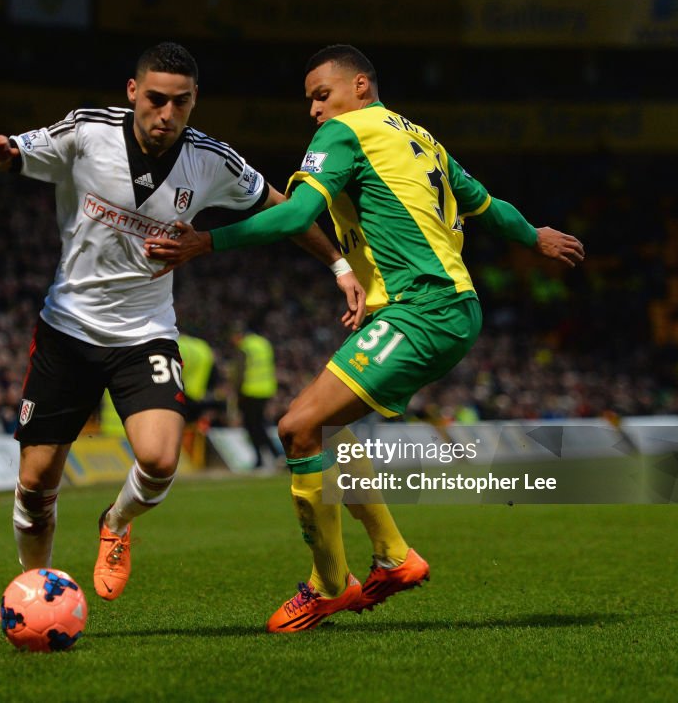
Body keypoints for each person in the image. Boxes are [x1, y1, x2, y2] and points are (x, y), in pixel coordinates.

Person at [146, 44, 585, 631]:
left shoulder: (347, 134)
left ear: (359, 86)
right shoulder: (421, 138)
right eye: (308, 101)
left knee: (298, 428)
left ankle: (328, 584)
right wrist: (534, 237)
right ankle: (395, 557)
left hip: (424, 309)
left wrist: (207, 242)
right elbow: (486, 206)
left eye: (321, 95)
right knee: (330, 430)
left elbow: (295, 215)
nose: (313, 111)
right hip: (443, 306)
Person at [0, 42, 365, 602]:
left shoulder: (211, 160)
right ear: (133, 92)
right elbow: (16, 149)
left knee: (158, 460)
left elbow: (282, 207)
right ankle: (35, 593)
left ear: (194, 101)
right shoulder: (87, 132)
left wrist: (340, 266)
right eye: (156, 100)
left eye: (180, 103)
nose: (167, 114)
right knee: (35, 485)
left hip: (144, 333)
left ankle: (117, 522)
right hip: (68, 329)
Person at [231, 324, 280, 469]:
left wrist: (236, 392)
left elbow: (240, 372)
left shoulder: (245, 347)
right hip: (266, 389)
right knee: (259, 425)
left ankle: (265, 457)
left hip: (250, 391)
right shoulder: (263, 343)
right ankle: (272, 456)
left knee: (253, 426)